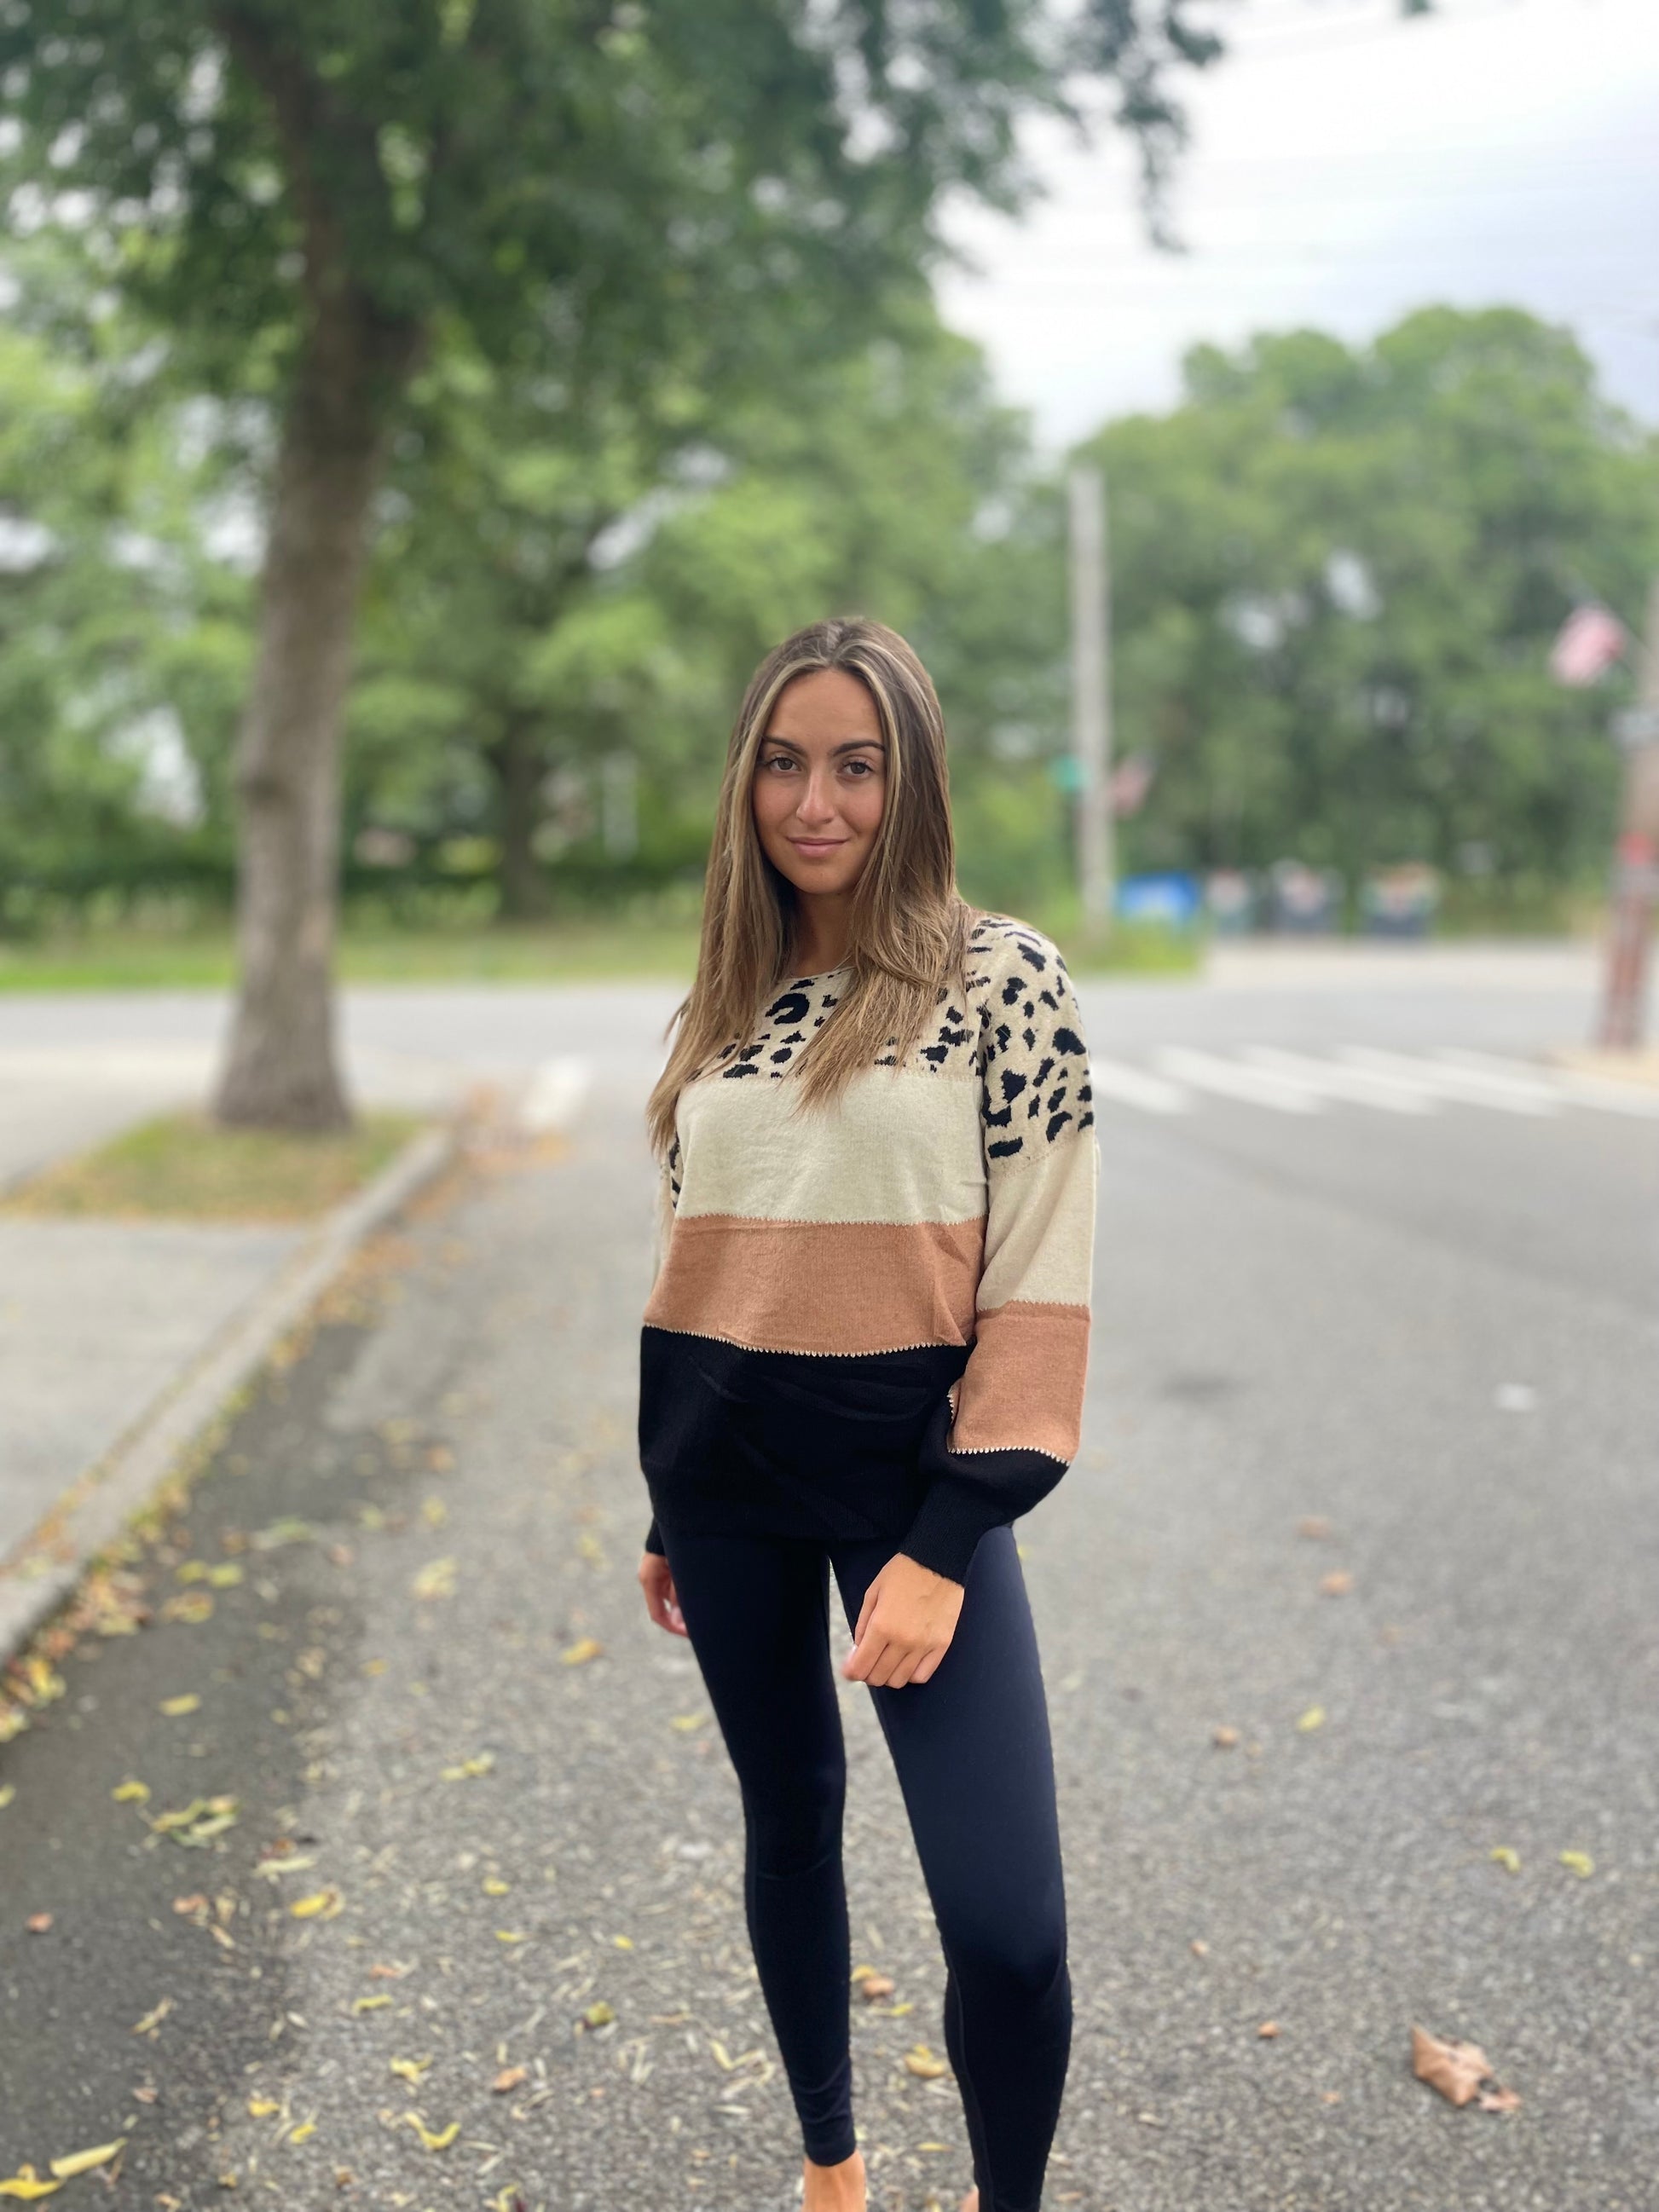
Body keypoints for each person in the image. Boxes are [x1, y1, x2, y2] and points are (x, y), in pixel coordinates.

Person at [635, 615, 1099, 2212]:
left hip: (913, 1492)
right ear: (745, 781)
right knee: (789, 1828)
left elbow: (1038, 1281)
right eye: (782, 763)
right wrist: (664, 1503)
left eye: (855, 764)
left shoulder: (1000, 979)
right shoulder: (725, 998)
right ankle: (829, 2169)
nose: (814, 801)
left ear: (913, 781)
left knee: (1008, 1931)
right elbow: (696, 1254)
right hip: (723, 1486)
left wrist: (951, 1537)